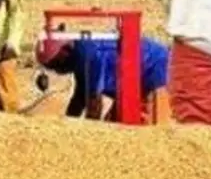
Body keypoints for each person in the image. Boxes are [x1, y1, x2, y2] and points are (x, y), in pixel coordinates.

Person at [36, 34, 172, 124]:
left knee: (148, 129)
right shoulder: (81, 56)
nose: (56, 70)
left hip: (153, 68)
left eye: (55, 64)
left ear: (66, 51)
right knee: (114, 125)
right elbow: (80, 96)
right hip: (129, 84)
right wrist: (67, 124)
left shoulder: (90, 56)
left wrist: (87, 136)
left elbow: (94, 103)